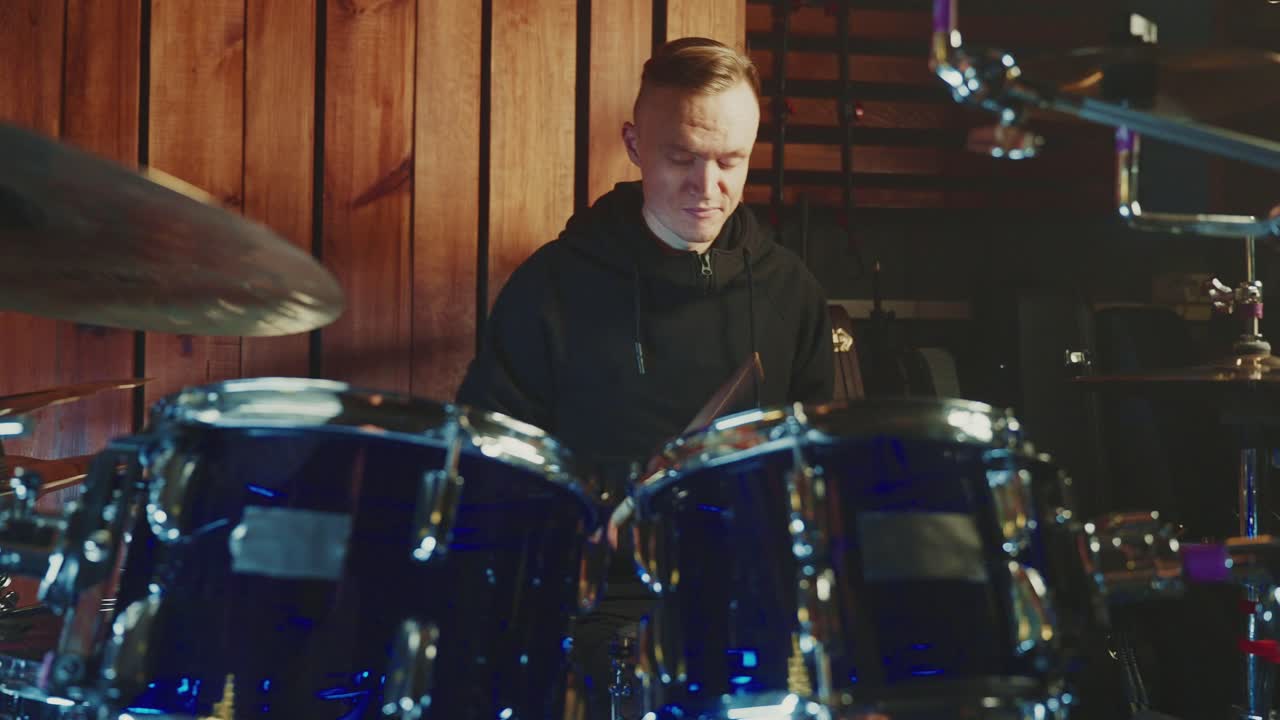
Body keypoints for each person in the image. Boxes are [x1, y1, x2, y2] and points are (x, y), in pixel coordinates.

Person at [456, 36, 835, 718]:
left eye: (731, 162)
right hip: (587, 612)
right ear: (635, 144)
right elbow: (487, 462)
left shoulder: (791, 291)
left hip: (743, 611)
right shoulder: (552, 286)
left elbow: (819, 466)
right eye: (681, 158)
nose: (708, 187)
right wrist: (578, 518)